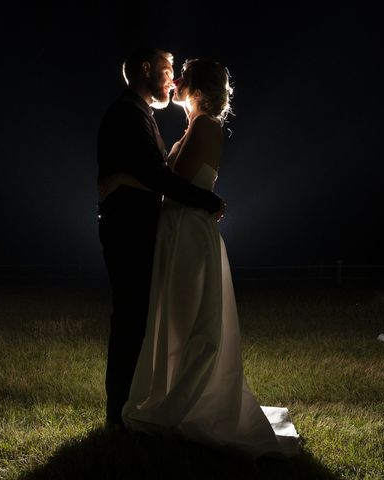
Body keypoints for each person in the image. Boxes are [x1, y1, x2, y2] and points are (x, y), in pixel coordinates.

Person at [101, 59, 301, 458]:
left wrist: (197, 197)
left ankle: (184, 405)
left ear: (198, 87)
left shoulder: (205, 126)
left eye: (183, 76)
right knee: (177, 320)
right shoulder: (196, 126)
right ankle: (168, 398)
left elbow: (174, 184)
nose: (175, 81)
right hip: (180, 231)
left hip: (188, 234)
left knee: (190, 323)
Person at [96, 48, 224, 428]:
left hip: (163, 230)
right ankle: (120, 412)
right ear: (145, 70)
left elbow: (155, 175)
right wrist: (209, 199)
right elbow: (160, 177)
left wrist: (120, 177)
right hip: (130, 231)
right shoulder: (127, 113)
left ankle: (140, 404)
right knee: (132, 319)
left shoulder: (145, 115)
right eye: (167, 71)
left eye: (177, 73)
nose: (171, 79)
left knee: (146, 319)